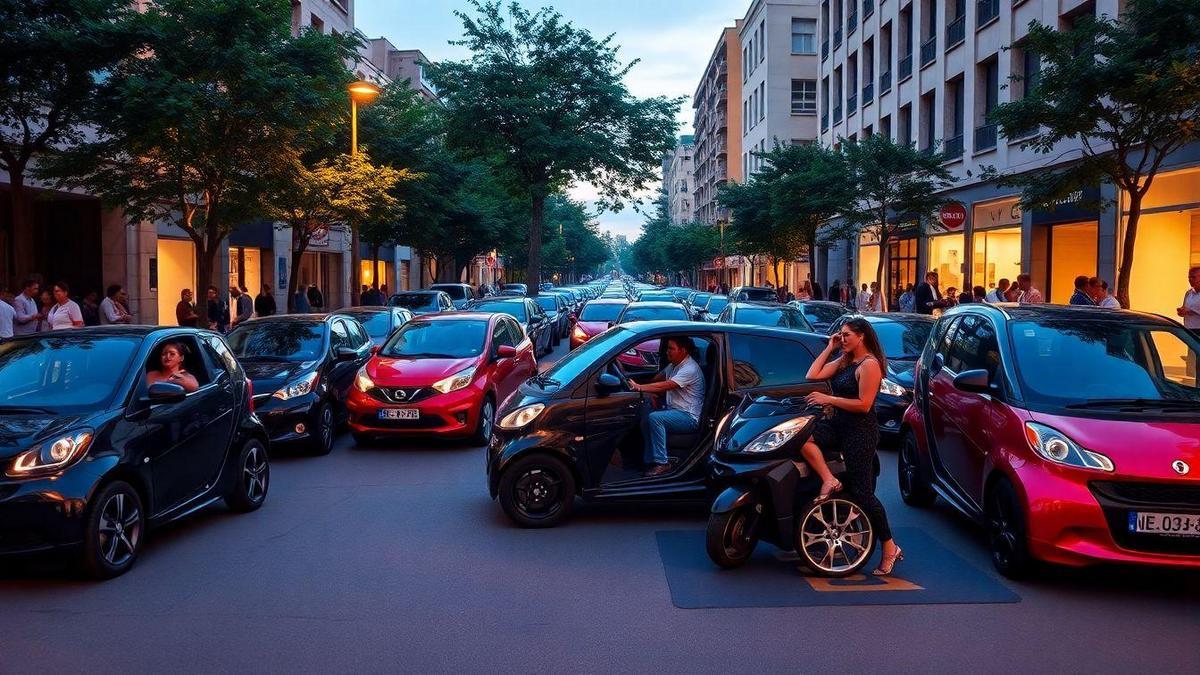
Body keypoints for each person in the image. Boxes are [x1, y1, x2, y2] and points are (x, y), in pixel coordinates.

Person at [799, 317, 903, 576]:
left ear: (862, 336)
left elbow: (864, 405)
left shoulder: (870, 365)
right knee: (802, 438)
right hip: (837, 426)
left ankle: (890, 547)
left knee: (863, 493)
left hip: (860, 432)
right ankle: (828, 479)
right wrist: (830, 347)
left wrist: (829, 399)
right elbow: (812, 374)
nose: (842, 339)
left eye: (846, 335)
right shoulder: (846, 361)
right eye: (841, 335)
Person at [626, 336, 705, 478]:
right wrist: (647, 390)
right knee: (645, 418)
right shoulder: (673, 365)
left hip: (689, 417)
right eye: (667, 348)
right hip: (674, 411)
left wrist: (640, 388)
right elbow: (658, 379)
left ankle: (662, 463)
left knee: (655, 418)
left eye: (671, 349)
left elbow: (667, 385)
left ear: (683, 350)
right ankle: (649, 461)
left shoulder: (689, 369)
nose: (667, 352)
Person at [1177, 266, 1200, 332]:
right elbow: (1184, 308)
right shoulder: (1188, 293)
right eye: (1189, 277)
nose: (1190, 279)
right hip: (1189, 329)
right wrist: (1181, 311)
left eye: (1193, 277)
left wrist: (1189, 312)